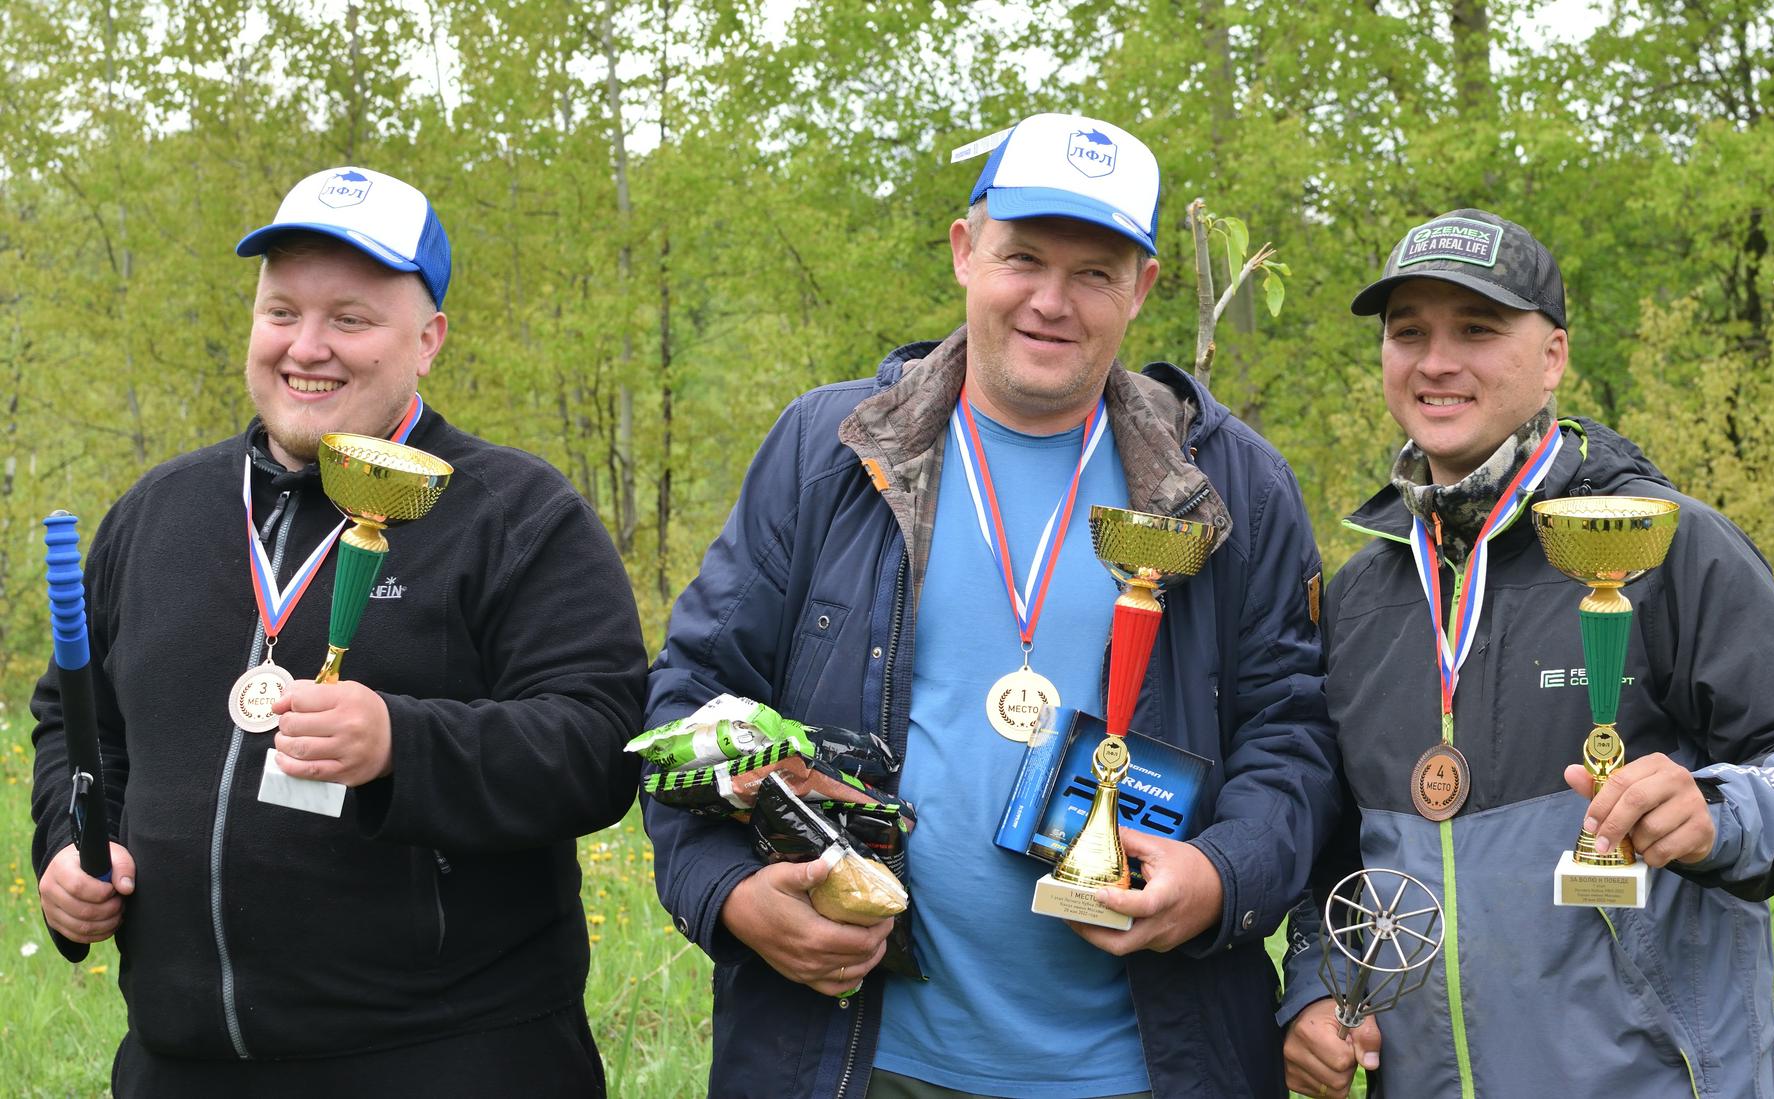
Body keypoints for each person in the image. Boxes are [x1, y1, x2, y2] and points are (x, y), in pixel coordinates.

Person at [643, 112, 1339, 1098]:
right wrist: (731, 893)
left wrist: (1226, 874)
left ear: (1141, 288)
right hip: (855, 1057)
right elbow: (696, 697)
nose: (1052, 301)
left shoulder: (1232, 484)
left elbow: (1294, 732)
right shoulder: (826, 451)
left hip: (1151, 1065)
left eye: (1095, 271)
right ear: (967, 252)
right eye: (1024, 258)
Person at [30, 166, 648, 1095]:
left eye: (350, 318)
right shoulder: (158, 511)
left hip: (450, 1060)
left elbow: (602, 743)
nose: (306, 347)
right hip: (179, 1062)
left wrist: (405, 741)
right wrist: (74, 849)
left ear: (428, 338)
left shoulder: (515, 514)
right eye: (282, 311)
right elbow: (78, 723)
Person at [1278, 208, 1774, 1098]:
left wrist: (1718, 810)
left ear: (1552, 355)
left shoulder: (1669, 545)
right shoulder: (1361, 593)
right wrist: (1319, 988)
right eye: (1410, 333)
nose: (1437, 361)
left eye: (1477, 329)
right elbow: (1336, 853)